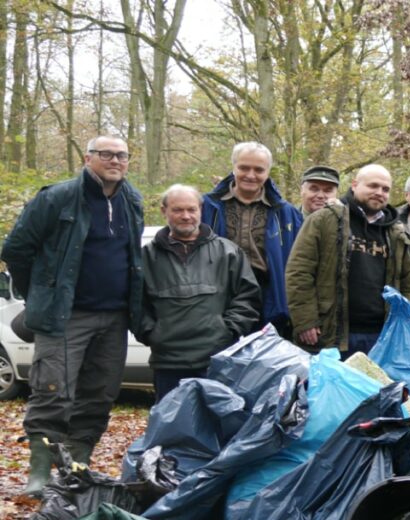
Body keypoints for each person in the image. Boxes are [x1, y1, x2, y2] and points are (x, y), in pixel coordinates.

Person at [1, 135, 144, 496]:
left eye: (122, 155)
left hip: (114, 318)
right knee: (52, 392)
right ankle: (40, 474)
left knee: (99, 396)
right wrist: (41, 293)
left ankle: (77, 468)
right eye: (106, 154)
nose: (115, 160)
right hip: (65, 316)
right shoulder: (57, 197)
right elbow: (16, 248)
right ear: (87, 158)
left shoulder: (133, 200)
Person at [139, 185, 261, 402]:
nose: (186, 216)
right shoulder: (146, 257)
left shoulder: (228, 252)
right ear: (163, 211)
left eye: (191, 209)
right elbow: (135, 304)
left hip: (217, 360)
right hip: (168, 362)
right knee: (171, 429)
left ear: (201, 210)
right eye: (177, 210)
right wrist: (152, 333)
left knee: (217, 426)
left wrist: (228, 330)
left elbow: (248, 297)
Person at [285, 164, 410, 356]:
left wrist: (405, 322)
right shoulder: (325, 220)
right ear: (354, 185)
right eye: (373, 186)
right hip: (333, 333)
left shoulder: (396, 232)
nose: (379, 192)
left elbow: (407, 282)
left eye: (385, 189)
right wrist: (305, 321)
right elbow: (299, 272)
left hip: (381, 336)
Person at [201, 141, 303, 339]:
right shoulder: (206, 206)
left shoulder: (285, 213)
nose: (250, 175)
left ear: (268, 172)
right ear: (233, 167)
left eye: (259, 169)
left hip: (267, 296)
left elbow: (298, 264)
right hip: (218, 294)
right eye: (243, 167)